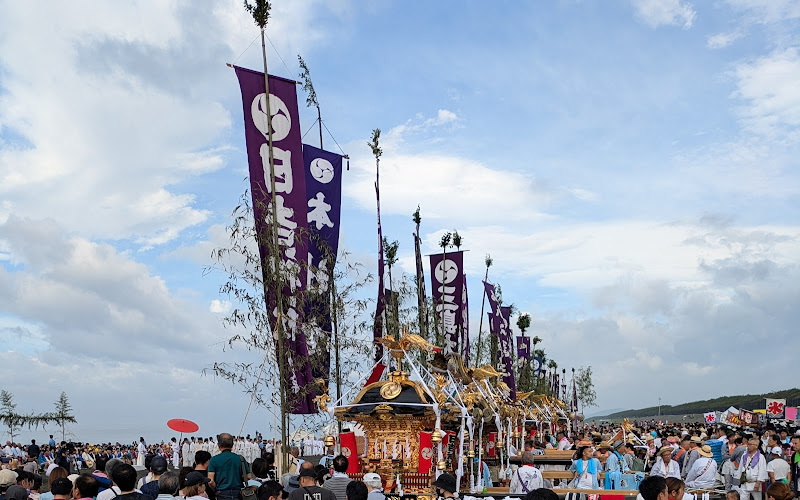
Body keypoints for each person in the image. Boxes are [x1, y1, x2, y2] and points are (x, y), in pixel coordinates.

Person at [208, 433, 250, 500]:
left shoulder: (214, 460)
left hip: (221, 492)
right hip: (237, 492)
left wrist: (216, 489)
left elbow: (210, 481)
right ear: (232, 445)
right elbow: (248, 476)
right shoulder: (240, 458)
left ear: (218, 445)